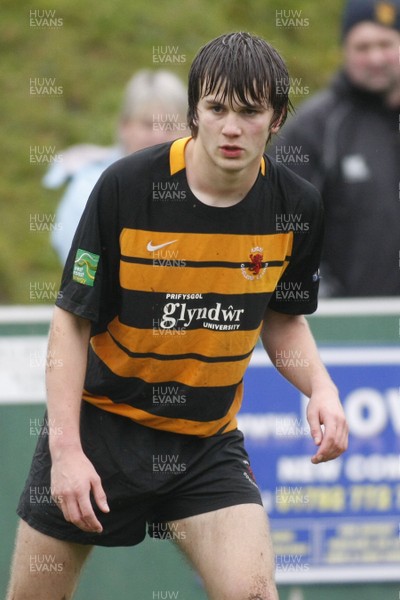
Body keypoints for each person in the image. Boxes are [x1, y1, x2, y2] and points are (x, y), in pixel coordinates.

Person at [7, 32, 348, 600]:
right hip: (100, 428)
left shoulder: (296, 206)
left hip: (205, 442)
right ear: (193, 112)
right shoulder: (125, 187)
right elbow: (71, 320)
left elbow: (283, 317)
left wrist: (322, 388)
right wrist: (66, 450)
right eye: (216, 109)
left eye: (250, 111)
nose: (231, 128)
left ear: (279, 117)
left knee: (254, 593)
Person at [269, 0, 400, 297]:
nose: (376, 57)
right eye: (363, 47)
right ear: (345, 51)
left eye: (386, 43)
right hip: (351, 331)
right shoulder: (314, 129)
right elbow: (278, 225)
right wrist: (322, 293)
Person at [45, 69, 188, 264]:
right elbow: (81, 273)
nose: (159, 136)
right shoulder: (89, 189)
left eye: (170, 126)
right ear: (124, 127)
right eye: (148, 125)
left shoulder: (206, 188)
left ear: (189, 129)